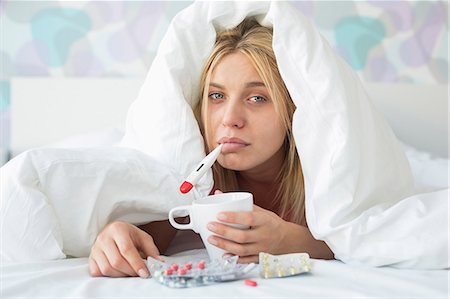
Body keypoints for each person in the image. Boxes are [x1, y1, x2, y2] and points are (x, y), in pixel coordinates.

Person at [89, 18, 334, 278]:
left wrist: (289, 240)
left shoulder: (325, 171)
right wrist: (115, 236)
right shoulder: (197, 176)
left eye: (257, 98)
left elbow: (358, 238)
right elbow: (145, 241)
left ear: (293, 108)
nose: (230, 119)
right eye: (217, 96)